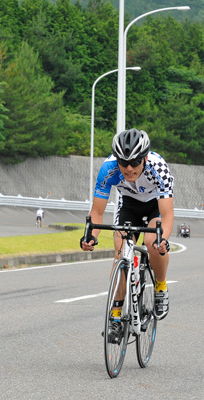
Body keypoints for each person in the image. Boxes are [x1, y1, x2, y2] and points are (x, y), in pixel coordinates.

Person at [80, 128, 174, 320]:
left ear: (145, 158)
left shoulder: (159, 168)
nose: (129, 168)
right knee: (121, 253)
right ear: (117, 160)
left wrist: (162, 239)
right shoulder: (108, 169)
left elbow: (167, 214)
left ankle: (161, 286)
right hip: (129, 205)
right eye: (123, 162)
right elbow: (97, 212)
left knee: (152, 243)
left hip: (154, 205)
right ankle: (115, 313)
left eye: (135, 162)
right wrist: (91, 236)